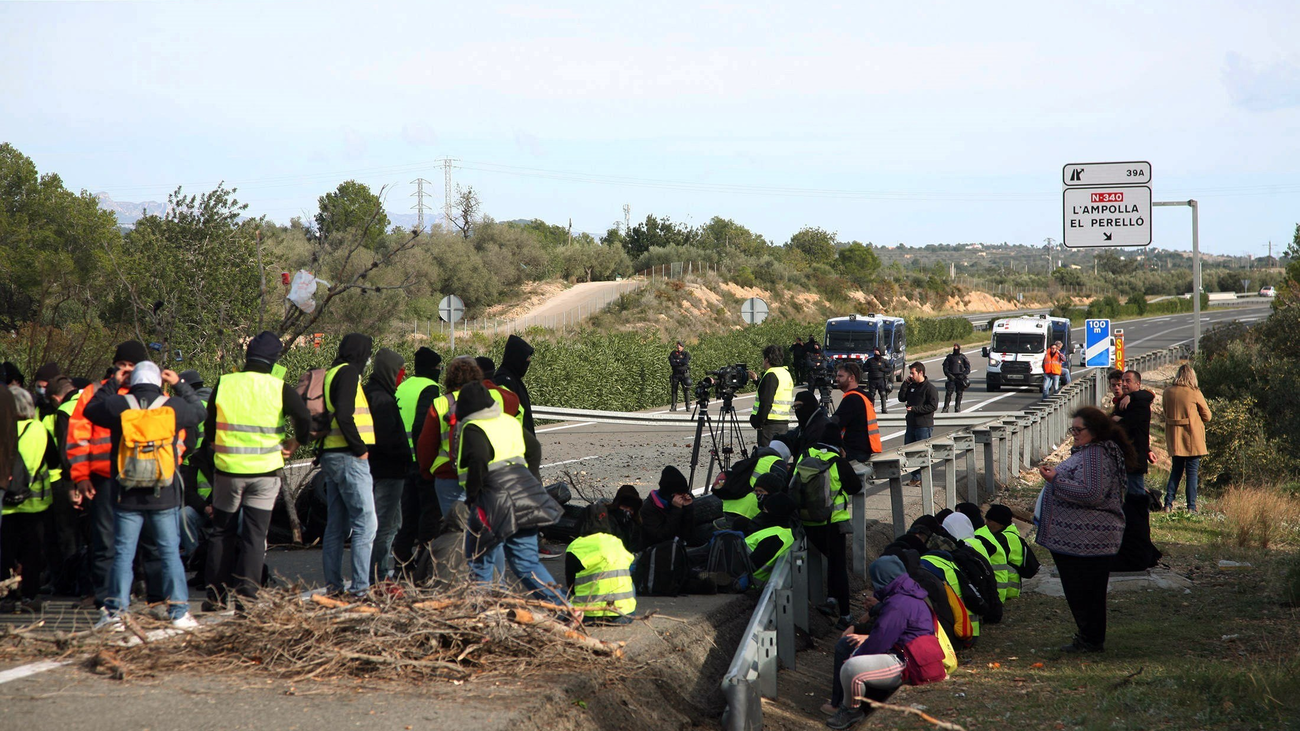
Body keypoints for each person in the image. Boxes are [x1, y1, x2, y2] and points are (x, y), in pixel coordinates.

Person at [84, 362, 206, 629]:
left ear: (133, 380)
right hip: (164, 495)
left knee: (123, 554)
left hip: (127, 495)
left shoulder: (120, 406)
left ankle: (115, 613)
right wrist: (179, 384)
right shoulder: (172, 406)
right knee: (169, 553)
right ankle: (179, 612)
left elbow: (90, 410)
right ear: (159, 382)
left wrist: (114, 382)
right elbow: (199, 412)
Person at [200, 332, 310, 609]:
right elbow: (304, 417)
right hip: (265, 473)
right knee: (254, 536)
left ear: (247, 356)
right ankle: (247, 599)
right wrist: (296, 442)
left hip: (228, 472)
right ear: (274, 361)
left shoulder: (225, 382)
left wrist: (215, 444)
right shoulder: (278, 387)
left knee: (221, 532)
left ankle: (215, 597)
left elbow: (210, 424)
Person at [455, 382, 564, 605]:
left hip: (494, 500)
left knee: (480, 560)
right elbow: (534, 448)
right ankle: (564, 609)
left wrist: (473, 495)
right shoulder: (508, 421)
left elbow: (478, 459)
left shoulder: (474, 427)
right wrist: (529, 478)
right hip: (525, 494)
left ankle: (484, 614)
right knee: (527, 564)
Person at [1036, 406, 1134, 652]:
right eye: (1073, 430)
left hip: (1088, 539)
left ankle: (1090, 640)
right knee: (1085, 592)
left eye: (1079, 430)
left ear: (1095, 430)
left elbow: (1092, 493)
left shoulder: (1095, 455)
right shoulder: (1092, 452)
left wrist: (1055, 480)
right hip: (1082, 539)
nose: (1074, 434)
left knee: (1085, 592)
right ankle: (1088, 637)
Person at [67, 340, 154, 609]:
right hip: (103, 476)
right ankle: (106, 597)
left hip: (141, 476)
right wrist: (81, 477)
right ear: (113, 365)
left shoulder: (149, 392)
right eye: (121, 365)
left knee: (144, 539)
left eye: (131, 366)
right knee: (104, 540)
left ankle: (140, 590)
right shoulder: (94, 392)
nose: (125, 370)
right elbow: (78, 438)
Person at [825, 555, 940, 730]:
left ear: (882, 579)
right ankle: (859, 704)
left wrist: (855, 656)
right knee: (854, 657)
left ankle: (851, 710)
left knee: (850, 668)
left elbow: (879, 641)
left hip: (907, 662)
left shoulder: (899, 603)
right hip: (912, 656)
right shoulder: (909, 592)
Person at [320, 333, 379, 597]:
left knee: (337, 526)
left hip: (332, 455)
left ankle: (334, 588)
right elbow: (345, 415)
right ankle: (360, 589)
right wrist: (360, 449)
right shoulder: (348, 373)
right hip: (349, 458)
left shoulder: (332, 372)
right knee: (366, 524)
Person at [1, 386, 61, 610]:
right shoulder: (38, 428)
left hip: (5, 504)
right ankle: (29, 594)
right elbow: (54, 461)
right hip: (35, 502)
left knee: (5, 550)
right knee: (32, 550)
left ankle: (7, 594)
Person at [799, 430, 864, 630]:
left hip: (807, 522)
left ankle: (830, 599)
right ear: (839, 446)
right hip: (833, 522)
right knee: (838, 566)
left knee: (830, 560)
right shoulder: (838, 462)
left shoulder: (805, 455)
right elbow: (855, 487)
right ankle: (845, 615)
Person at [392, 347, 442, 570]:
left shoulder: (404, 386)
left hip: (400, 456)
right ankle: (424, 561)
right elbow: (423, 423)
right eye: (439, 368)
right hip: (419, 458)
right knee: (429, 512)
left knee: (408, 512)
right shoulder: (430, 387)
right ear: (433, 368)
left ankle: (401, 559)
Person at [361, 348, 409, 584]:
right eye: (401, 371)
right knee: (385, 526)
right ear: (390, 371)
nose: (403, 376)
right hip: (388, 470)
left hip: (381, 468)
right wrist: (405, 456)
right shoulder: (381, 399)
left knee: (393, 523)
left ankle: (378, 574)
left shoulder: (373, 393)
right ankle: (378, 577)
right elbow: (386, 439)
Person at [1110, 368, 1161, 572]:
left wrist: (1117, 421)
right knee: (1128, 502)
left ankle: (1141, 546)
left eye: (1127, 381)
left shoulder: (1138, 402)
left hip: (1133, 462)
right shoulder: (1126, 401)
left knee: (1136, 501)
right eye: (1122, 381)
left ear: (1137, 384)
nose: (1123, 384)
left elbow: (1128, 425)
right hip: (1125, 460)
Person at [1162, 364, 1212, 513]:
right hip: (1192, 437)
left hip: (1174, 437)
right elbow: (1207, 416)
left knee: (1175, 471)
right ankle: (1191, 507)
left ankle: (1168, 503)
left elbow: (1165, 412)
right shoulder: (1194, 392)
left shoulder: (1167, 392)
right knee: (1192, 473)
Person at [565, 531, 636, 624]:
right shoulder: (617, 542)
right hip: (624, 616)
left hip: (586, 616)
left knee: (560, 594)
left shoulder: (576, 546)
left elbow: (571, 586)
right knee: (627, 580)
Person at [830, 361, 882, 464]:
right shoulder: (861, 396)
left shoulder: (852, 399)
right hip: (863, 450)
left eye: (840, 376)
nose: (837, 379)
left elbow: (835, 424)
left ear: (851, 378)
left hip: (854, 453)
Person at [984, 503, 1037, 599]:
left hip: (1006, 589)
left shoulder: (1003, 538)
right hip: (1010, 588)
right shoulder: (1011, 535)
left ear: (1000, 523)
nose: (986, 524)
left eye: (989, 520)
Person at [743, 492, 796, 586]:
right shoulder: (781, 532)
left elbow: (752, 563)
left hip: (744, 579)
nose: (762, 514)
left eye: (765, 510)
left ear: (775, 513)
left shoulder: (775, 537)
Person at [898, 362, 938, 485]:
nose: (911, 375)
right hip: (911, 424)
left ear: (920, 373)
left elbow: (933, 406)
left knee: (922, 453)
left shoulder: (929, 388)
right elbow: (901, 398)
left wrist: (915, 409)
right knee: (910, 452)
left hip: (923, 425)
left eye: (912, 373)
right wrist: (905, 384)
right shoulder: (912, 386)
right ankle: (915, 477)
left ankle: (922, 479)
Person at [639, 466, 696, 549]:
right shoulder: (648, 509)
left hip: (680, 543)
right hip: (659, 549)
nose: (683, 496)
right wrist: (676, 510)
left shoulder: (684, 498)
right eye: (679, 493)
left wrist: (688, 508)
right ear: (671, 494)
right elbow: (661, 537)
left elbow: (689, 533)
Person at [748, 345, 793, 448]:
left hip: (769, 424)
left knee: (767, 454)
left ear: (767, 359)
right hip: (783, 422)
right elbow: (776, 392)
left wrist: (758, 422)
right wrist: (757, 380)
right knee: (779, 453)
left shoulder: (770, 375)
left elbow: (766, 402)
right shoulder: (785, 374)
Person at [493, 334, 535, 434]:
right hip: (516, 440)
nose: (528, 362)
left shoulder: (514, 379)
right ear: (517, 358)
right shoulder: (504, 381)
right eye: (527, 359)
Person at [782, 391, 833, 457]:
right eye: (795, 407)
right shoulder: (806, 423)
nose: (797, 410)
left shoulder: (820, 427)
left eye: (799, 406)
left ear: (810, 405)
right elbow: (793, 435)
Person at [941, 344, 971, 413]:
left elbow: (968, 368)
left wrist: (963, 375)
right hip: (951, 377)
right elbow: (945, 368)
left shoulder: (962, 357)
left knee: (959, 393)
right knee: (948, 393)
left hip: (960, 377)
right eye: (955, 348)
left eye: (957, 348)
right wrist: (949, 375)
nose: (956, 349)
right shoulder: (949, 357)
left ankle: (957, 407)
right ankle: (946, 407)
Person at [864, 348, 891, 415]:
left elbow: (890, 368)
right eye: (875, 354)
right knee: (871, 395)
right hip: (872, 380)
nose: (876, 355)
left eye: (877, 354)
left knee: (883, 394)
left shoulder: (884, 361)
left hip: (881, 380)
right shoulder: (870, 361)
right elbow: (864, 368)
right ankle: (871, 409)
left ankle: (884, 409)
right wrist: (870, 369)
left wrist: (883, 369)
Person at [668, 341, 692, 412]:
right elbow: (672, 363)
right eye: (678, 345)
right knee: (674, 390)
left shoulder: (686, 354)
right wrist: (680, 361)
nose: (679, 347)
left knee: (686, 390)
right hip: (675, 374)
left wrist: (677, 360)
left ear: (683, 347)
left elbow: (685, 362)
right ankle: (673, 406)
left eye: (680, 346)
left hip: (684, 374)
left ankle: (688, 406)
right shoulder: (673, 353)